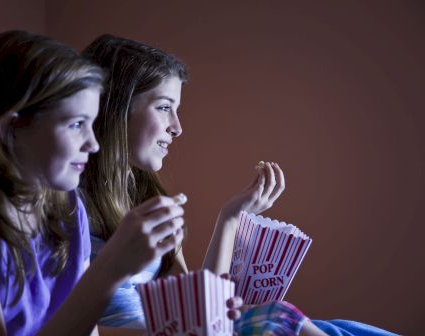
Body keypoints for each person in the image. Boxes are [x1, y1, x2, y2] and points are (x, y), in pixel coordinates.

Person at [81, 34, 330, 336]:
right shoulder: (71, 208)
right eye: (163, 107)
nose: (177, 127)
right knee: (279, 318)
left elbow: (203, 308)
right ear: (115, 107)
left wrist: (230, 217)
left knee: (308, 323)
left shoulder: (147, 198)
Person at [0, 30, 189, 336]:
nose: (92, 143)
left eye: (91, 123)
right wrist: (110, 270)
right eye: (76, 124)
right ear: (11, 128)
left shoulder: (66, 209)